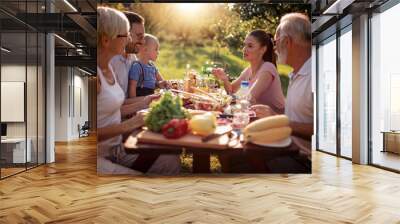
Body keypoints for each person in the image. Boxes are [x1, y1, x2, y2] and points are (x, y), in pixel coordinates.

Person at [97, 6, 180, 175]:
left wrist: (145, 102)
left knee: (171, 159)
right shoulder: (94, 77)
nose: (129, 39)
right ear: (106, 40)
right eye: (125, 35)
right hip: (98, 158)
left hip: (116, 148)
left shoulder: (109, 68)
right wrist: (131, 124)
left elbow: (113, 108)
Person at [252, 13, 313, 171]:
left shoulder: (316, 76)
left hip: (304, 161)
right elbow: (298, 118)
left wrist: (280, 121)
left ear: (287, 41)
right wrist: (275, 115)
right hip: (286, 147)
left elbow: (327, 132)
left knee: (237, 160)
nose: (274, 48)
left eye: (275, 42)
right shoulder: (297, 73)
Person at [211, 29, 285, 114]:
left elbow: (249, 98)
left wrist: (226, 105)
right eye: (244, 45)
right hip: (256, 116)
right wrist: (224, 79)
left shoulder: (268, 68)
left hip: (277, 122)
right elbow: (231, 90)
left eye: (250, 46)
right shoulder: (248, 70)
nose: (244, 49)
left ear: (263, 49)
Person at [109, 11, 145, 98]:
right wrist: (148, 101)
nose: (143, 41)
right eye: (139, 37)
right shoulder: (111, 62)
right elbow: (114, 106)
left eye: (143, 37)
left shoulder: (132, 56)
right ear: (126, 33)